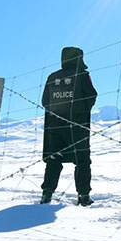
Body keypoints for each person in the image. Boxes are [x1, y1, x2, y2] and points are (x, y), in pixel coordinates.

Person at [40, 46, 98, 206]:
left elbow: (45, 101)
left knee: (54, 159)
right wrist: (80, 113)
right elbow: (92, 95)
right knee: (82, 160)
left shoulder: (52, 77)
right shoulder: (82, 75)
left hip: (55, 127)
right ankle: (84, 196)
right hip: (77, 126)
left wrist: (58, 115)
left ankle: (47, 194)